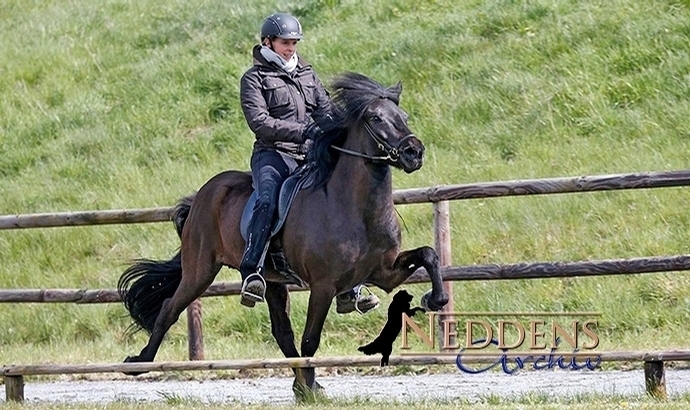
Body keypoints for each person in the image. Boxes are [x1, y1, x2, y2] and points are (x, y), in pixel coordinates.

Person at [238, 12, 380, 314]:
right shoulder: (254, 79)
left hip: (308, 155)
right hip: (273, 154)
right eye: (285, 43)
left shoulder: (306, 74)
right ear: (268, 42)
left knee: (339, 202)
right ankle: (252, 269)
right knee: (267, 198)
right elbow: (260, 122)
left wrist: (339, 130)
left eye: (294, 43)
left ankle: (349, 287)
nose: (291, 48)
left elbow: (324, 109)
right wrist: (304, 130)